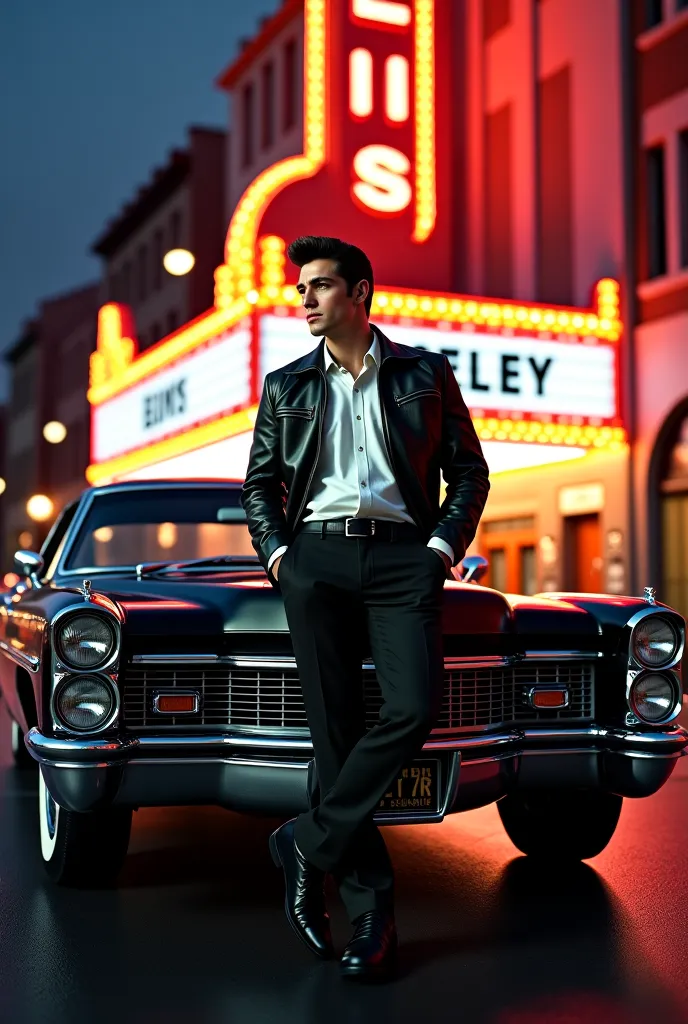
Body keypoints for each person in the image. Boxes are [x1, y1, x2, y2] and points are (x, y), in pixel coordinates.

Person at [241, 236, 490, 981]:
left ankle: (307, 841)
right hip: (314, 559)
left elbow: (469, 472)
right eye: (302, 289)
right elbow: (259, 487)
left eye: (319, 286)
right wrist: (282, 558)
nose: (305, 300)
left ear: (361, 292)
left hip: (402, 559)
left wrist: (441, 549)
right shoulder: (287, 386)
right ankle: (372, 915)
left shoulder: (423, 372)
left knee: (413, 708)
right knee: (336, 735)